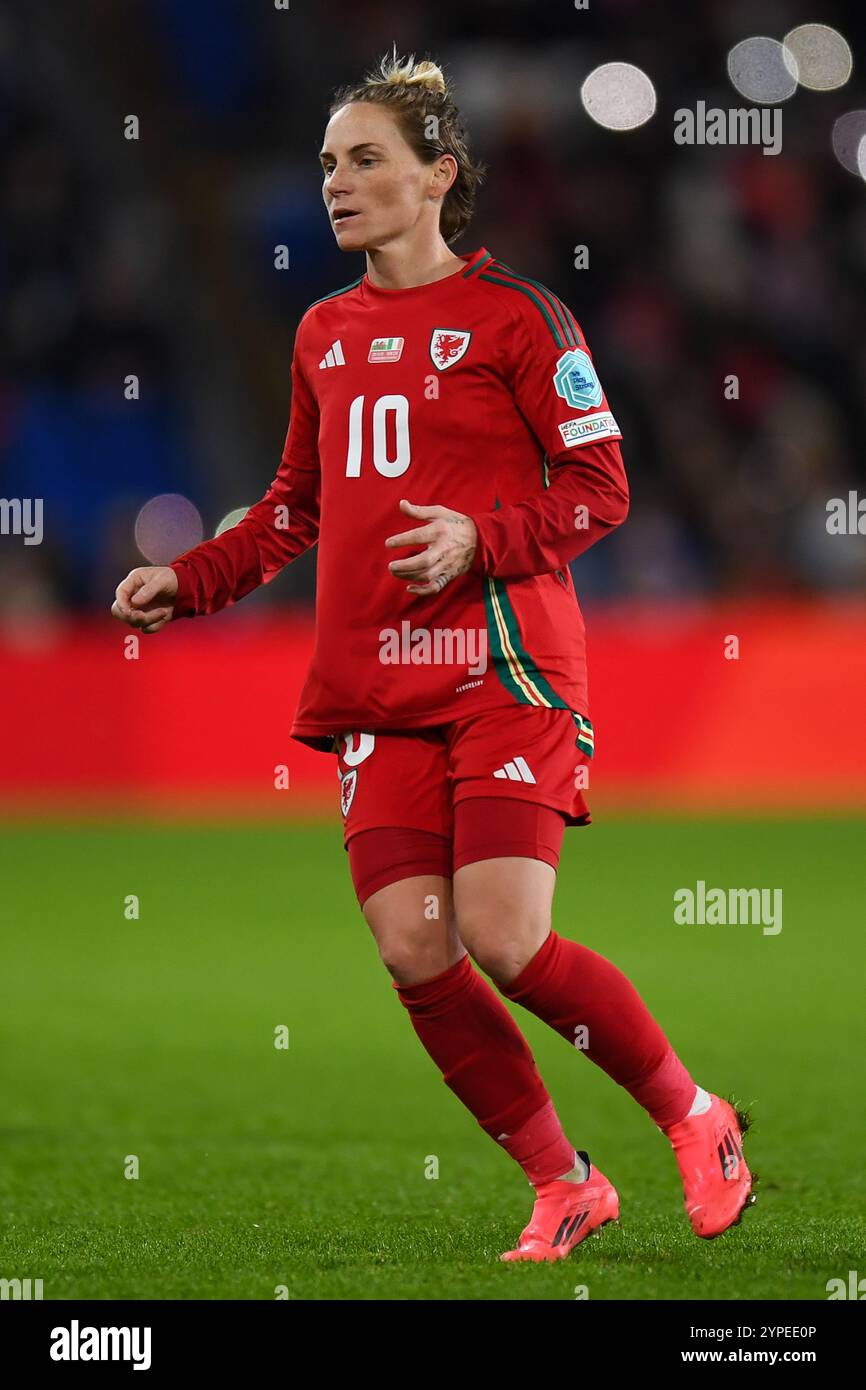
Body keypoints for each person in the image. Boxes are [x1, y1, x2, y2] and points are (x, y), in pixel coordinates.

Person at [112, 49, 753, 1261]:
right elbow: (295, 506)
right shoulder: (320, 332)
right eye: (326, 166)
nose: (336, 185)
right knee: (415, 945)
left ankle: (693, 1113)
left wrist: (482, 534)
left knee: (504, 935)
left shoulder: (519, 317)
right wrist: (189, 580)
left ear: (435, 177)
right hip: (377, 685)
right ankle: (564, 1181)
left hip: (501, 668)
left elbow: (601, 487)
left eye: (364, 161)